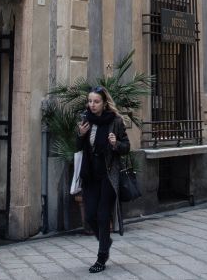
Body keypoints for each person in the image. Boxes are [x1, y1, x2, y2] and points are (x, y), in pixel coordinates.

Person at [77, 86, 131, 273]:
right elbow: (78, 147)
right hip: (90, 175)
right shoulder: (85, 120)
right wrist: (80, 135)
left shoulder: (115, 121)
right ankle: (105, 242)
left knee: (102, 215)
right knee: (90, 215)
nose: (92, 105)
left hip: (108, 175)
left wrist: (116, 144)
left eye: (96, 101)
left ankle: (101, 257)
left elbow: (126, 147)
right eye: (90, 101)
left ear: (104, 103)